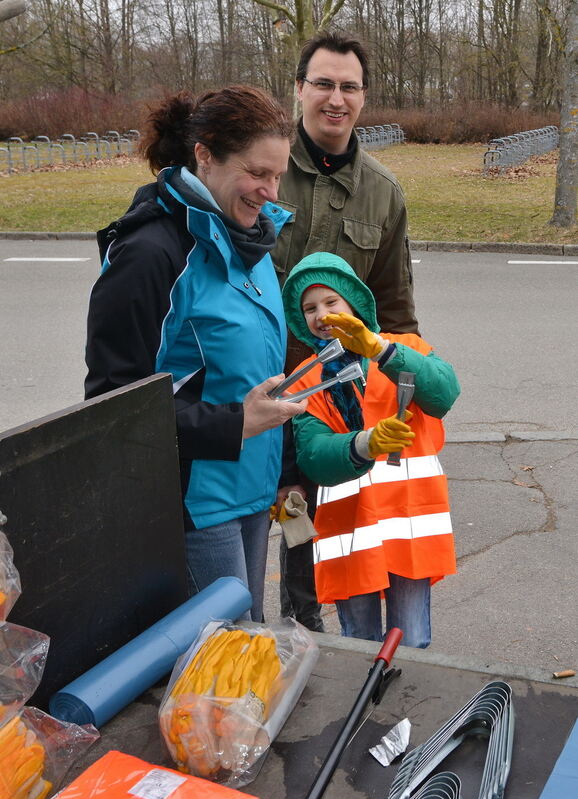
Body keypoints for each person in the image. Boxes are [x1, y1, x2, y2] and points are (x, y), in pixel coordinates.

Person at [84, 86, 307, 623]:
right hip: (194, 507)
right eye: (258, 173)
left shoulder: (249, 239)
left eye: (279, 175)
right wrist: (235, 424)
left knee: (244, 655)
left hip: (251, 490)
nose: (271, 192)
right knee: (216, 674)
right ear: (205, 155)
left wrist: (284, 469)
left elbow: (252, 375)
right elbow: (113, 406)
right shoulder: (149, 255)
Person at [273, 31, 418, 633]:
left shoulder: (383, 194)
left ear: (363, 97)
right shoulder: (266, 171)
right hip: (262, 390)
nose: (336, 98)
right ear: (300, 89)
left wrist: (407, 396)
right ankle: (279, 634)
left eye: (349, 87)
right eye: (324, 84)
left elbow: (398, 310)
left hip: (340, 403)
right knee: (269, 525)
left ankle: (330, 642)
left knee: (332, 529)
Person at [281, 252, 460, 646]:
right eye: (309, 308)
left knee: (411, 643)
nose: (320, 315)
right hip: (352, 532)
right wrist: (365, 443)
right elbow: (312, 454)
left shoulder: (403, 347)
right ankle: (366, 711)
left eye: (331, 302)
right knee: (360, 644)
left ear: (354, 304)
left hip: (409, 527)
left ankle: (403, 709)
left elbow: (443, 393)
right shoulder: (308, 379)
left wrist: (380, 350)